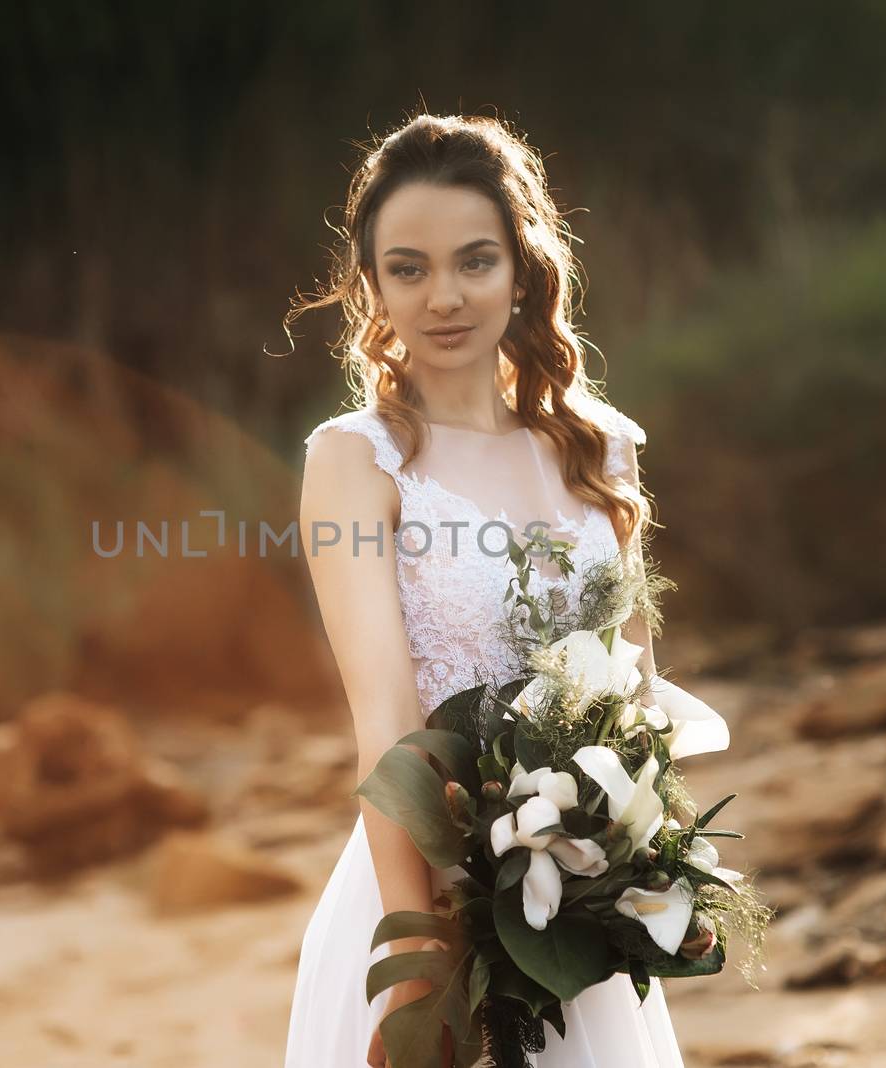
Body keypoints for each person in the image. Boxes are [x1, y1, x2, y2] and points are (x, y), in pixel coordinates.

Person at [282, 113, 686, 1067]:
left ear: (522, 267)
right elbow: (384, 724)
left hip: (579, 905)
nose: (445, 297)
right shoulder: (356, 460)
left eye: (475, 260)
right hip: (432, 892)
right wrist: (415, 957)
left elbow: (638, 696)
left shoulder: (598, 446)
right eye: (409, 268)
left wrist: (651, 876)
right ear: (373, 284)